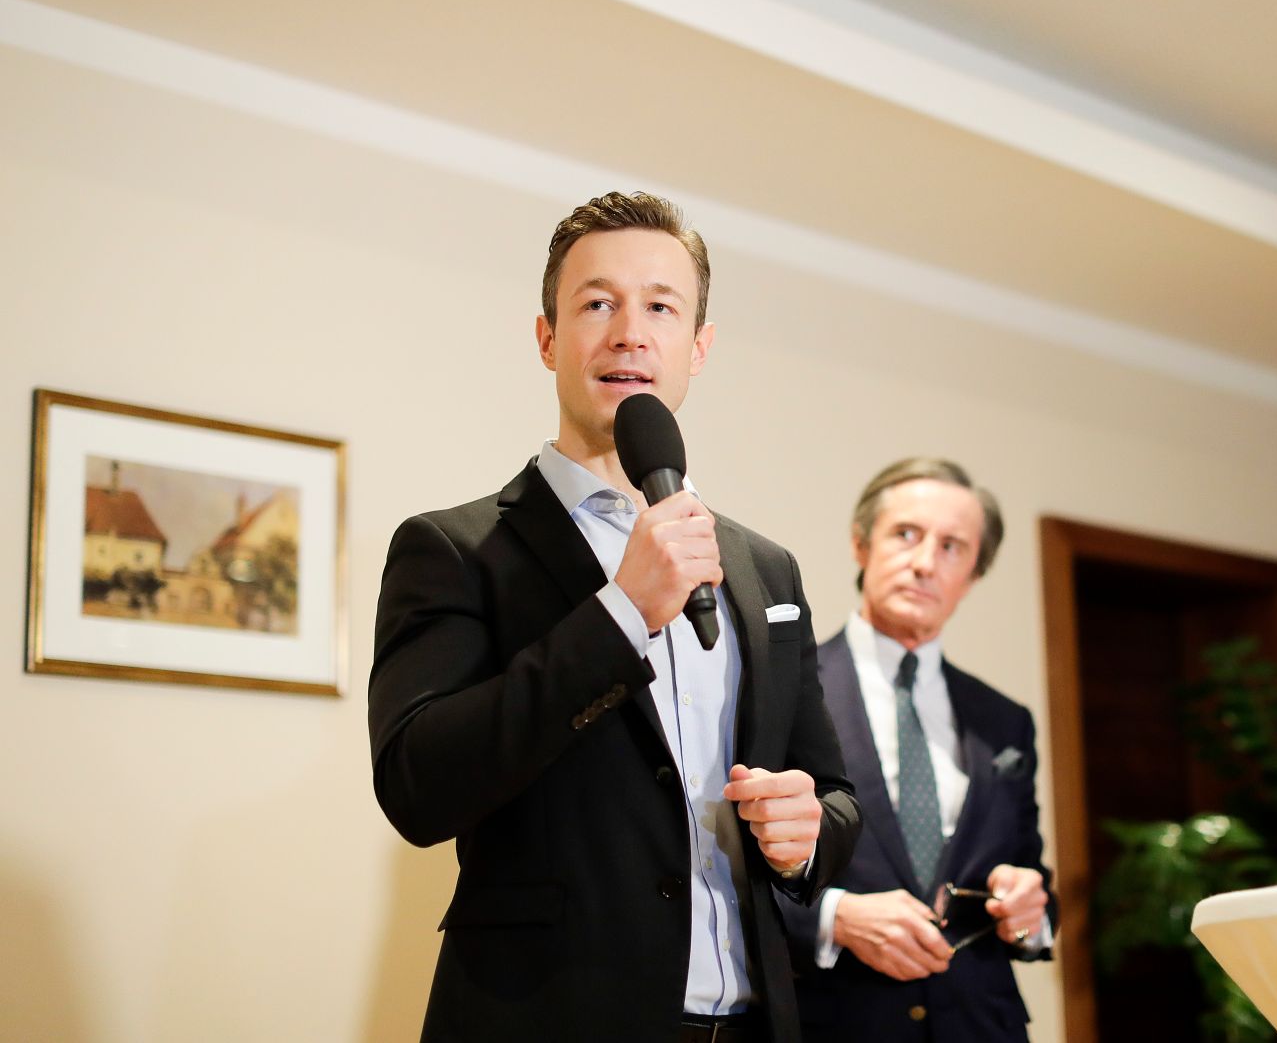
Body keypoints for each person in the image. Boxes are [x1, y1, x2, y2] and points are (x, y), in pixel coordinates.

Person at [367, 191, 861, 1042]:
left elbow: (834, 795)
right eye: (597, 303)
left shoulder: (764, 567)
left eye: (661, 307)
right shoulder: (452, 548)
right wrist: (621, 613)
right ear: (548, 337)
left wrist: (808, 834)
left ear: (697, 347)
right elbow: (417, 788)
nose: (630, 332)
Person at [777, 458, 1055, 1042]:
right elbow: (722, 873)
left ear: (973, 574)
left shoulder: (1005, 722)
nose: (926, 562)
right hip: (838, 1022)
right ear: (861, 544)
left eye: (953, 547)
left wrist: (1031, 909)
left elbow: (1033, 875)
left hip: (984, 1025)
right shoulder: (784, 690)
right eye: (906, 535)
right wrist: (836, 918)